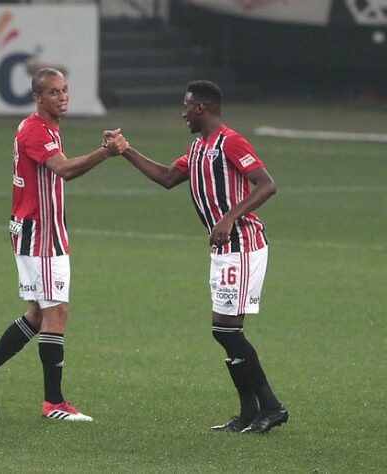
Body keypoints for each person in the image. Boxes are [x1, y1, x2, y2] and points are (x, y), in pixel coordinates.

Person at [105, 80, 288, 433]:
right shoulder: (198, 148)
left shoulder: (230, 142)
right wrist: (125, 150)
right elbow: (167, 177)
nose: (183, 113)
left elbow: (266, 183)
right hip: (222, 249)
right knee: (226, 331)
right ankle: (249, 412)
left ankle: (272, 406)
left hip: (243, 245)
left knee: (227, 330)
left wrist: (230, 215)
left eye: (186, 106)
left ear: (201, 108)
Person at [0, 68, 128, 422]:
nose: (62, 97)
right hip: (42, 234)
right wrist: (104, 153)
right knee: (56, 313)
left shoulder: (40, 127)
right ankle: (54, 403)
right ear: (38, 97)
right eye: (53, 92)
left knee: (38, 314)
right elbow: (64, 170)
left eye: (65, 90)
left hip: (34, 229)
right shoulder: (36, 131)